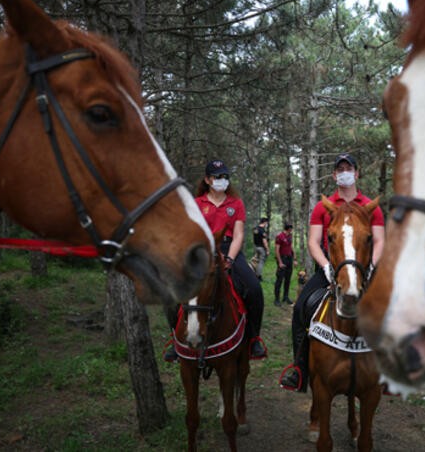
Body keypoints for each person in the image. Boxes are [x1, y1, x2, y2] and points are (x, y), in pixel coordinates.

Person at [279, 153, 384, 391]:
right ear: (334, 175)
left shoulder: (370, 208)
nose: (345, 172)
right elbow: (314, 242)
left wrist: (371, 268)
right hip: (331, 269)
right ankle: (299, 368)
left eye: (349, 168)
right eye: (340, 169)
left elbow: (379, 241)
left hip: (364, 270)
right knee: (300, 307)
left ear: (357, 174)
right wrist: (326, 267)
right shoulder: (322, 207)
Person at [164, 159, 267, 361]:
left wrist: (229, 258)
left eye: (225, 177)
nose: (222, 180)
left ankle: (254, 338)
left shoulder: (236, 203)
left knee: (254, 289)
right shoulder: (196, 204)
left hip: (230, 249)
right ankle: (175, 340)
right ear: (208, 180)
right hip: (203, 250)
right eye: (217, 177)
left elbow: (238, 235)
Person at [273, 222, 295, 306]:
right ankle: (277, 299)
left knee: (288, 279)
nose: (291, 230)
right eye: (291, 229)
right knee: (279, 279)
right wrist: (280, 262)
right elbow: (277, 250)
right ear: (288, 229)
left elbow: (290, 246)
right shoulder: (280, 236)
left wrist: (294, 258)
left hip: (289, 258)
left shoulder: (290, 236)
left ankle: (285, 296)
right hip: (282, 258)